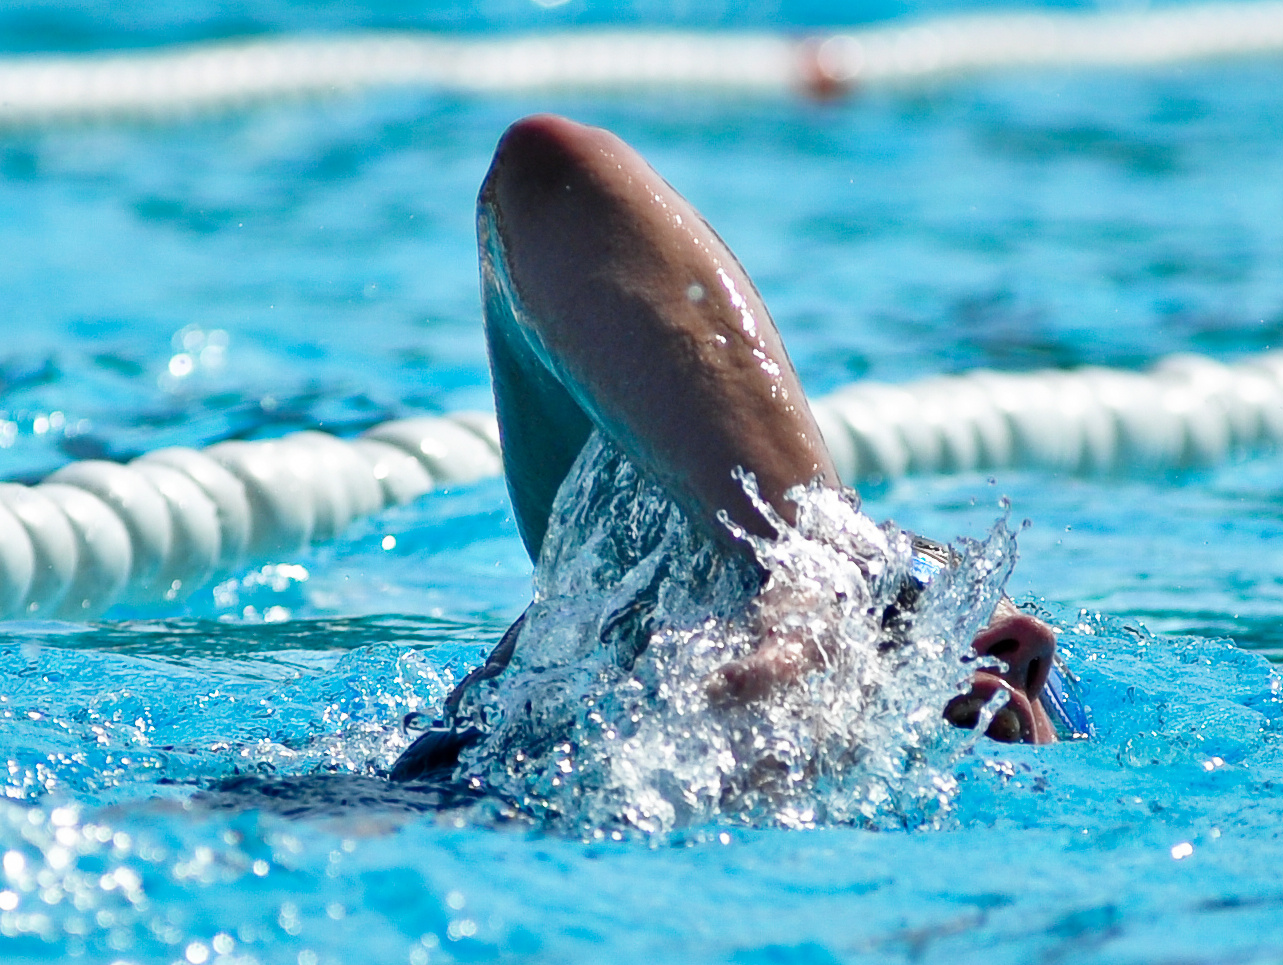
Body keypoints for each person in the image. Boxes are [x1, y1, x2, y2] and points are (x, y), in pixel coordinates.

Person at [391, 115, 1076, 784]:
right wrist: (806, 569)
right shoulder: (623, 670)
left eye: (909, 598)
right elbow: (551, 181)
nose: (1033, 641)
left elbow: (548, 179)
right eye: (903, 594)